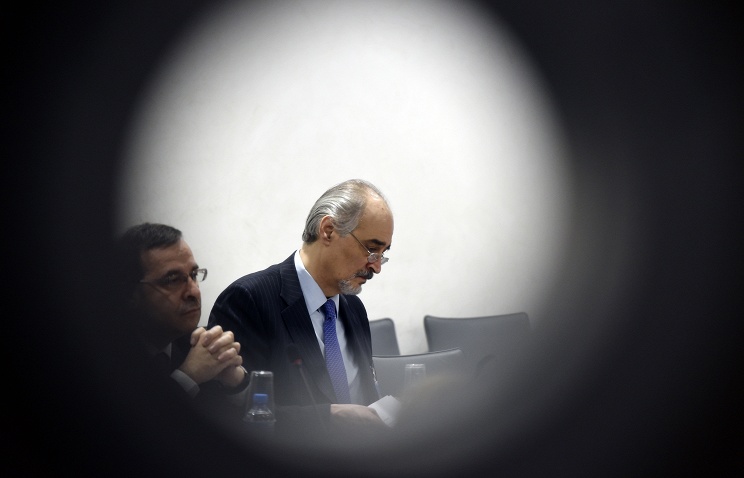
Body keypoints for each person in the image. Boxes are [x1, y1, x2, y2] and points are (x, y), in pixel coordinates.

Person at [208, 179, 393, 436]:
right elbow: (233, 412)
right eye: (371, 249)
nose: (377, 267)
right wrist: (329, 417)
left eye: (383, 254)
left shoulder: (354, 307)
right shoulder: (248, 300)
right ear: (328, 230)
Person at [116, 222, 249, 420]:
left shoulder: (197, 344)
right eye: (172, 279)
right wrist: (188, 377)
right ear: (129, 293)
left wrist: (235, 383)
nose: (194, 291)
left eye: (193, 275)